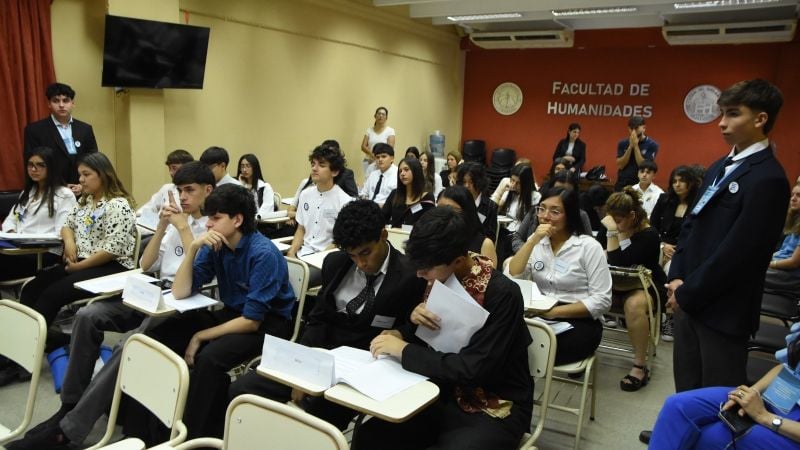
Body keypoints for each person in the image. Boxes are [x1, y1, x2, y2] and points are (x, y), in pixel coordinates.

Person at [3, 162, 215, 449]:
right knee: (88, 315)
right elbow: (146, 264)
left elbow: (196, 274)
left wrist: (182, 228)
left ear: (208, 190)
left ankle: (70, 429)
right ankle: (70, 404)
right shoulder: (177, 222)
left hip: (183, 302)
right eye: (179, 190)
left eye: (190, 190)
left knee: (130, 343)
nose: (183, 197)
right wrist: (163, 226)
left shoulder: (212, 225)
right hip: (155, 291)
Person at [640, 80, 790, 446]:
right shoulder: (721, 166)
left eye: (733, 114)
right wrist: (676, 278)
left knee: (718, 401)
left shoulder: (769, 178)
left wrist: (687, 292)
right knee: (687, 389)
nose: (722, 123)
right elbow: (692, 225)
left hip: (723, 310)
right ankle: (677, 435)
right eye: (722, 113)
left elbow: (740, 253)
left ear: (761, 119)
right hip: (689, 297)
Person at [227, 200, 427, 430]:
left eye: (366, 253)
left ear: (383, 235)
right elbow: (318, 318)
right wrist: (305, 369)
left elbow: (412, 330)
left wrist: (399, 333)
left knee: (310, 422)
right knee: (242, 390)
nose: (361, 263)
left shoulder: (410, 276)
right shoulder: (335, 263)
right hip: (320, 354)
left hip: (360, 371)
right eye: (352, 255)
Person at [358, 206, 533, 450]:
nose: (419, 274)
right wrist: (407, 328)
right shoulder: (437, 275)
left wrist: (404, 349)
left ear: (458, 261)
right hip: (442, 389)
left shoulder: (503, 294)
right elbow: (433, 337)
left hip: (494, 402)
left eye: (426, 269)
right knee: (371, 435)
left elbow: (473, 368)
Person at [137, 184, 295, 441]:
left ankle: (194, 438)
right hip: (234, 314)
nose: (208, 224)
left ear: (237, 220)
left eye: (215, 218)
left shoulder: (263, 253)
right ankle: (150, 430)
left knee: (209, 358)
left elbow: (252, 321)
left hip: (268, 325)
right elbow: (180, 291)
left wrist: (201, 335)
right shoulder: (215, 245)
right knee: (162, 334)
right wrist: (192, 249)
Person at [19, 152, 136, 335]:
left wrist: (79, 267)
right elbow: (67, 225)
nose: (81, 180)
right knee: (32, 288)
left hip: (112, 266)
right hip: (82, 262)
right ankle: (25, 337)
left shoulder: (117, 205)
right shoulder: (85, 200)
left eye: (86, 174)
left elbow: (112, 250)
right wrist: (69, 242)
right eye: (80, 174)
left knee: (52, 295)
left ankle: (32, 342)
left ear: (103, 174)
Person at [648, 324, 800, 448]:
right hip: (784, 395)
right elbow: (789, 366)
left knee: (711, 436)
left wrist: (764, 416)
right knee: (677, 406)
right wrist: (751, 393)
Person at [507, 186, 612, 366]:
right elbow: (514, 273)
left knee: (526, 348)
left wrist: (554, 313)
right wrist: (532, 241)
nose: (545, 216)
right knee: (505, 337)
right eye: (541, 209)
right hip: (540, 314)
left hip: (579, 319)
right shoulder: (538, 242)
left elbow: (602, 300)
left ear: (570, 215)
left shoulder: (588, 247)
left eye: (555, 211)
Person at [602, 188, 666, 392]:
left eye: (619, 220)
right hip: (616, 281)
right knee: (584, 293)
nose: (615, 224)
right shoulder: (614, 225)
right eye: (612, 220)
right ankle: (579, 350)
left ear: (632, 215)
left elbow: (618, 260)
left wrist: (612, 232)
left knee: (634, 305)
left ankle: (639, 365)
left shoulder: (649, 235)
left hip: (644, 282)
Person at [0, 146, 76, 279]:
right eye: (30, 165)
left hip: (44, 253)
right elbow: (10, 220)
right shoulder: (27, 192)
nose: (34, 169)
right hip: (17, 248)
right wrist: (13, 236)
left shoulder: (64, 195)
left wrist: (27, 241)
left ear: (51, 167)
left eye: (40, 165)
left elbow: (61, 232)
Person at [649, 165, 701, 342]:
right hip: (660, 246)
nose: (677, 185)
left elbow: (697, 233)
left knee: (672, 273)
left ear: (691, 183)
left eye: (682, 181)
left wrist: (677, 250)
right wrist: (663, 245)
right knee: (649, 267)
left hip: (684, 250)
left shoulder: (698, 203)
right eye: (674, 181)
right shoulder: (664, 199)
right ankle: (651, 311)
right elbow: (652, 226)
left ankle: (670, 318)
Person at [288, 145, 353, 285]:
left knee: (295, 281)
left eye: (321, 165)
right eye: (313, 164)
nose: (314, 168)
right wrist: (291, 253)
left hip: (324, 259)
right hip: (302, 254)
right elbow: (301, 229)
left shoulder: (345, 201)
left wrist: (318, 257)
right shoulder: (305, 194)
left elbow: (339, 241)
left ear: (334, 171)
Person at [23, 83, 98, 193]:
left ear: (72, 103)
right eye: (56, 101)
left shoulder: (85, 129)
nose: (61, 105)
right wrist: (59, 187)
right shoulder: (34, 130)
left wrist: (83, 185)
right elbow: (33, 164)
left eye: (66, 101)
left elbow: (93, 161)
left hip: (81, 189)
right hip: (50, 191)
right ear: (49, 104)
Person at [511, 171, 592, 254]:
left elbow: (588, 246)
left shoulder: (581, 216)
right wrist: (528, 252)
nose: (561, 195)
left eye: (566, 192)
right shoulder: (537, 210)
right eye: (557, 189)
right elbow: (517, 237)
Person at [438, 186, 497, 267]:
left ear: (467, 212)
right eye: (440, 208)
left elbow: (488, 274)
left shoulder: (484, 244)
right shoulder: (432, 236)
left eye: (452, 210)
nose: (444, 214)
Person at [764, 181, 800, 296]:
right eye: (792, 195)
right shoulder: (796, 221)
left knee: (747, 272)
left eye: (799, 196)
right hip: (780, 269)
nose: (793, 199)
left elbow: (794, 263)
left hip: (790, 276)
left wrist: (769, 264)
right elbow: (784, 251)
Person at [136, 149, 194, 217]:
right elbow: (147, 208)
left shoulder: (195, 191)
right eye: (169, 168)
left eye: (174, 168)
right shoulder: (167, 188)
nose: (171, 173)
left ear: (187, 167)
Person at [381, 157, 435, 228]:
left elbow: (429, 225)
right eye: (400, 171)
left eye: (406, 170)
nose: (402, 174)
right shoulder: (394, 194)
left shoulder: (427, 197)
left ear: (416, 171)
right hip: (394, 234)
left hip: (416, 234)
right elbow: (382, 218)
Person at [457, 162, 498, 243]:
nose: (467, 186)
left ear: (479, 182)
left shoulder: (490, 206)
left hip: (479, 245)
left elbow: (491, 237)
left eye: (471, 182)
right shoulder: (457, 201)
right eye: (464, 182)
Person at [615, 115, 658, 192]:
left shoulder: (652, 145)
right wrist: (630, 147)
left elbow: (644, 166)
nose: (634, 131)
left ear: (644, 128)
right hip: (622, 182)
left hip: (639, 183)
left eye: (636, 128)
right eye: (631, 129)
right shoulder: (622, 143)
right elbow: (620, 165)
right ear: (628, 129)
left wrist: (635, 146)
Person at [236, 153, 275, 219]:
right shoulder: (238, 185)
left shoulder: (265, 187)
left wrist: (253, 219)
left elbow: (266, 210)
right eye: (242, 166)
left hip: (260, 222)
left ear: (255, 168)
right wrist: (241, 185)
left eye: (248, 166)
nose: (244, 169)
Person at [360, 106, 395, 178]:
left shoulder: (390, 131)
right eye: (379, 114)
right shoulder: (369, 130)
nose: (381, 116)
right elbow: (363, 146)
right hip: (369, 160)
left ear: (386, 118)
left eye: (383, 114)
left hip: (382, 162)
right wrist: (372, 155)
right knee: (368, 180)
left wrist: (377, 158)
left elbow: (390, 149)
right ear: (375, 116)